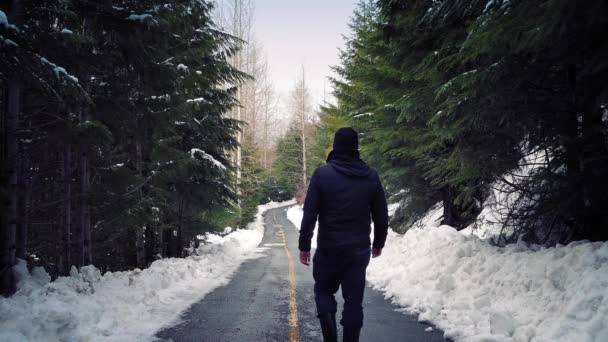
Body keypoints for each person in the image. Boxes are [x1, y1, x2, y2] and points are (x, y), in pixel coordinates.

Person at [298, 127, 389, 342]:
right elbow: (381, 215)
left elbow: (310, 213)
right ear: (356, 147)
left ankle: (329, 332)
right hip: (358, 251)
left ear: (336, 147)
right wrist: (378, 243)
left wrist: (304, 245)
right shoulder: (371, 176)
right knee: (354, 301)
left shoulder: (322, 174)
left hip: (329, 248)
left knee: (323, 290)